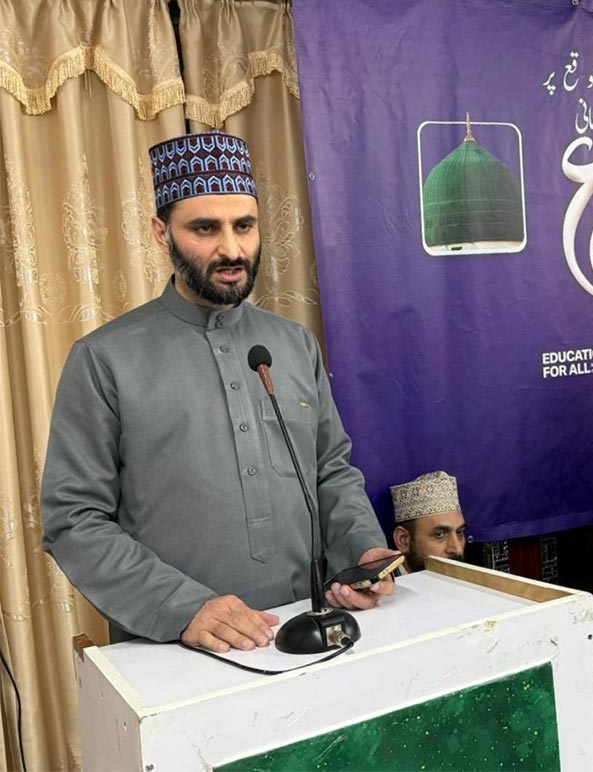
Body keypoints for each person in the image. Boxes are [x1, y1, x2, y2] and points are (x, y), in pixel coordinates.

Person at [41, 132, 396, 654]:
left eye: (244, 226)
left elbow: (330, 470)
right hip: (180, 651)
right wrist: (184, 608)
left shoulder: (293, 344)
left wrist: (362, 553)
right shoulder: (104, 359)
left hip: (313, 626)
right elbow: (73, 519)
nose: (231, 249)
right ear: (162, 235)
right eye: (205, 228)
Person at [389, 471, 467, 572]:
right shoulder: (378, 587)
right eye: (439, 534)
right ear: (403, 540)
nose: (457, 549)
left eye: (459, 533)